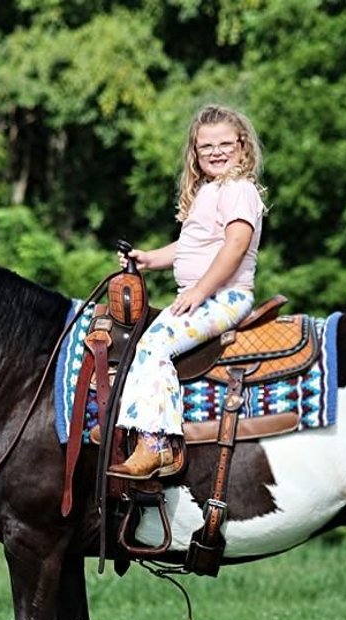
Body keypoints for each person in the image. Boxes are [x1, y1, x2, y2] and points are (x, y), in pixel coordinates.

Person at [108, 104, 267, 480]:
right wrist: (148, 259)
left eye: (226, 143)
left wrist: (200, 289)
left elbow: (236, 245)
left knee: (153, 346)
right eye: (205, 146)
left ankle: (156, 444)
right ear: (195, 153)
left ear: (243, 148)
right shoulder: (210, 191)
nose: (216, 152)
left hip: (223, 296)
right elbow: (188, 247)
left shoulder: (239, 190)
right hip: (205, 294)